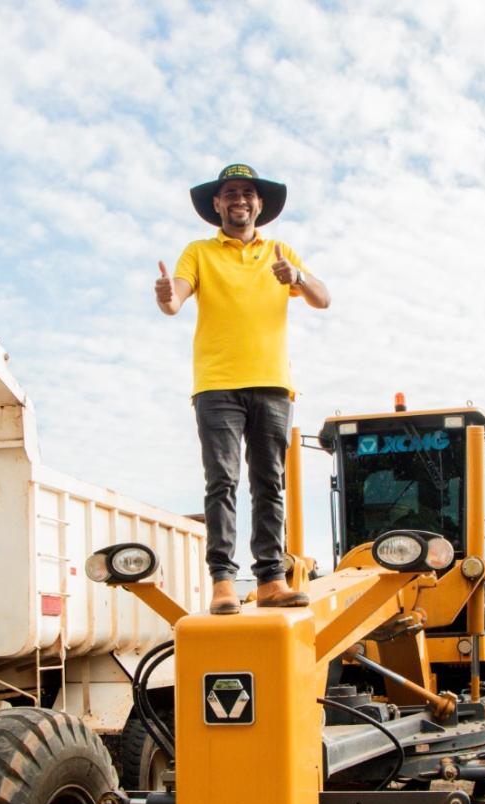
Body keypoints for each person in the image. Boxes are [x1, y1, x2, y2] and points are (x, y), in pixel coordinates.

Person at [155, 164, 331, 614]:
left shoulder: (279, 251)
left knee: (269, 482)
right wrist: (167, 296)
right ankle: (223, 583)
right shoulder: (198, 252)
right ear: (217, 203)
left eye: (247, 192)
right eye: (230, 192)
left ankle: (272, 579)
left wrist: (297, 277)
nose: (239, 199)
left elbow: (323, 297)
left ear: (259, 203)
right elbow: (176, 298)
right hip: (217, 386)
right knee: (222, 482)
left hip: (272, 385)